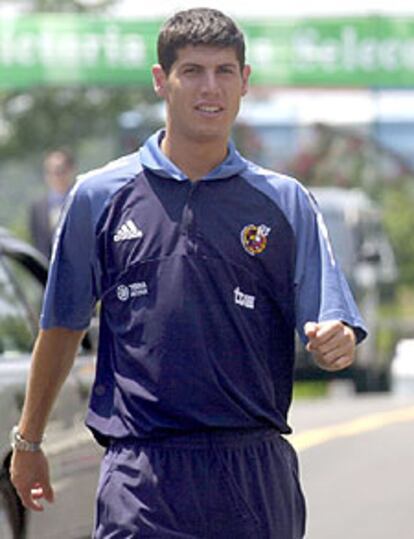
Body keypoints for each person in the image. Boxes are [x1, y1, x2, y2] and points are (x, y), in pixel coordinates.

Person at [11, 8, 367, 539]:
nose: (211, 87)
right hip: (142, 472)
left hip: (252, 470)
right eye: (193, 71)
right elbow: (62, 326)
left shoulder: (285, 202)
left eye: (225, 71)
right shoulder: (98, 197)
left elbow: (329, 319)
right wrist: (29, 441)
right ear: (162, 81)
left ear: (244, 82)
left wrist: (335, 340)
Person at [28, 148, 75, 258]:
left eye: (60, 171)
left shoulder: (82, 201)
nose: (56, 176)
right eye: (51, 172)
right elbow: (38, 246)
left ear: (71, 170)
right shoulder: (37, 208)